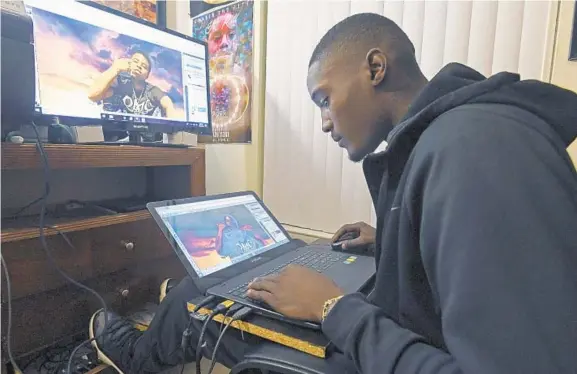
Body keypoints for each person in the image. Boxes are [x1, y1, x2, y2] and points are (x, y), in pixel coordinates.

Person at [89, 13, 577, 374]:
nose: (324, 121)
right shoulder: (457, 138)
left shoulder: (476, 151)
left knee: (203, 299)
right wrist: (393, 241)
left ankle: (138, 355)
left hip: (371, 353)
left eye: (324, 99)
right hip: (394, 337)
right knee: (229, 286)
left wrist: (333, 309)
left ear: (375, 67)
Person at [88, 51, 177, 119]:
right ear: (129, 63)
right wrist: (115, 68)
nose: (139, 66)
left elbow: (167, 103)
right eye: (135, 61)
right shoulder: (119, 81)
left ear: (147, 75)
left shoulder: (152, 90)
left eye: (144, 66)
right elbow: (92, 95)